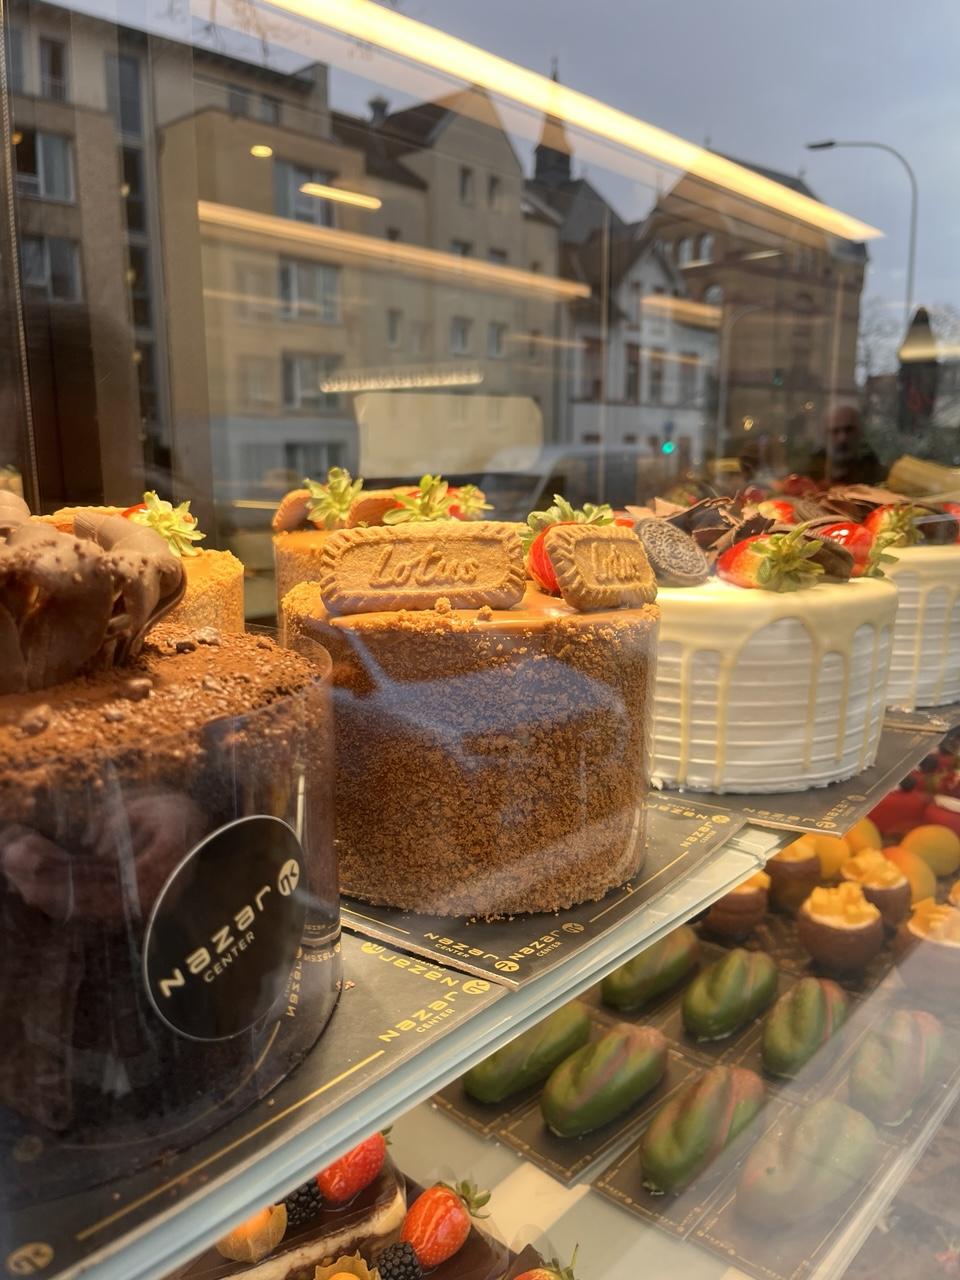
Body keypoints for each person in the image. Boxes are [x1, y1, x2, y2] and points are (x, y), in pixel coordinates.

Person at [809, 405, 883, 486]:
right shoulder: (808, 477)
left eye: (849, 430)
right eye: (835, 431)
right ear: (824, 436)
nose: (842, 439)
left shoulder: (878, 476)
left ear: (860, 433)